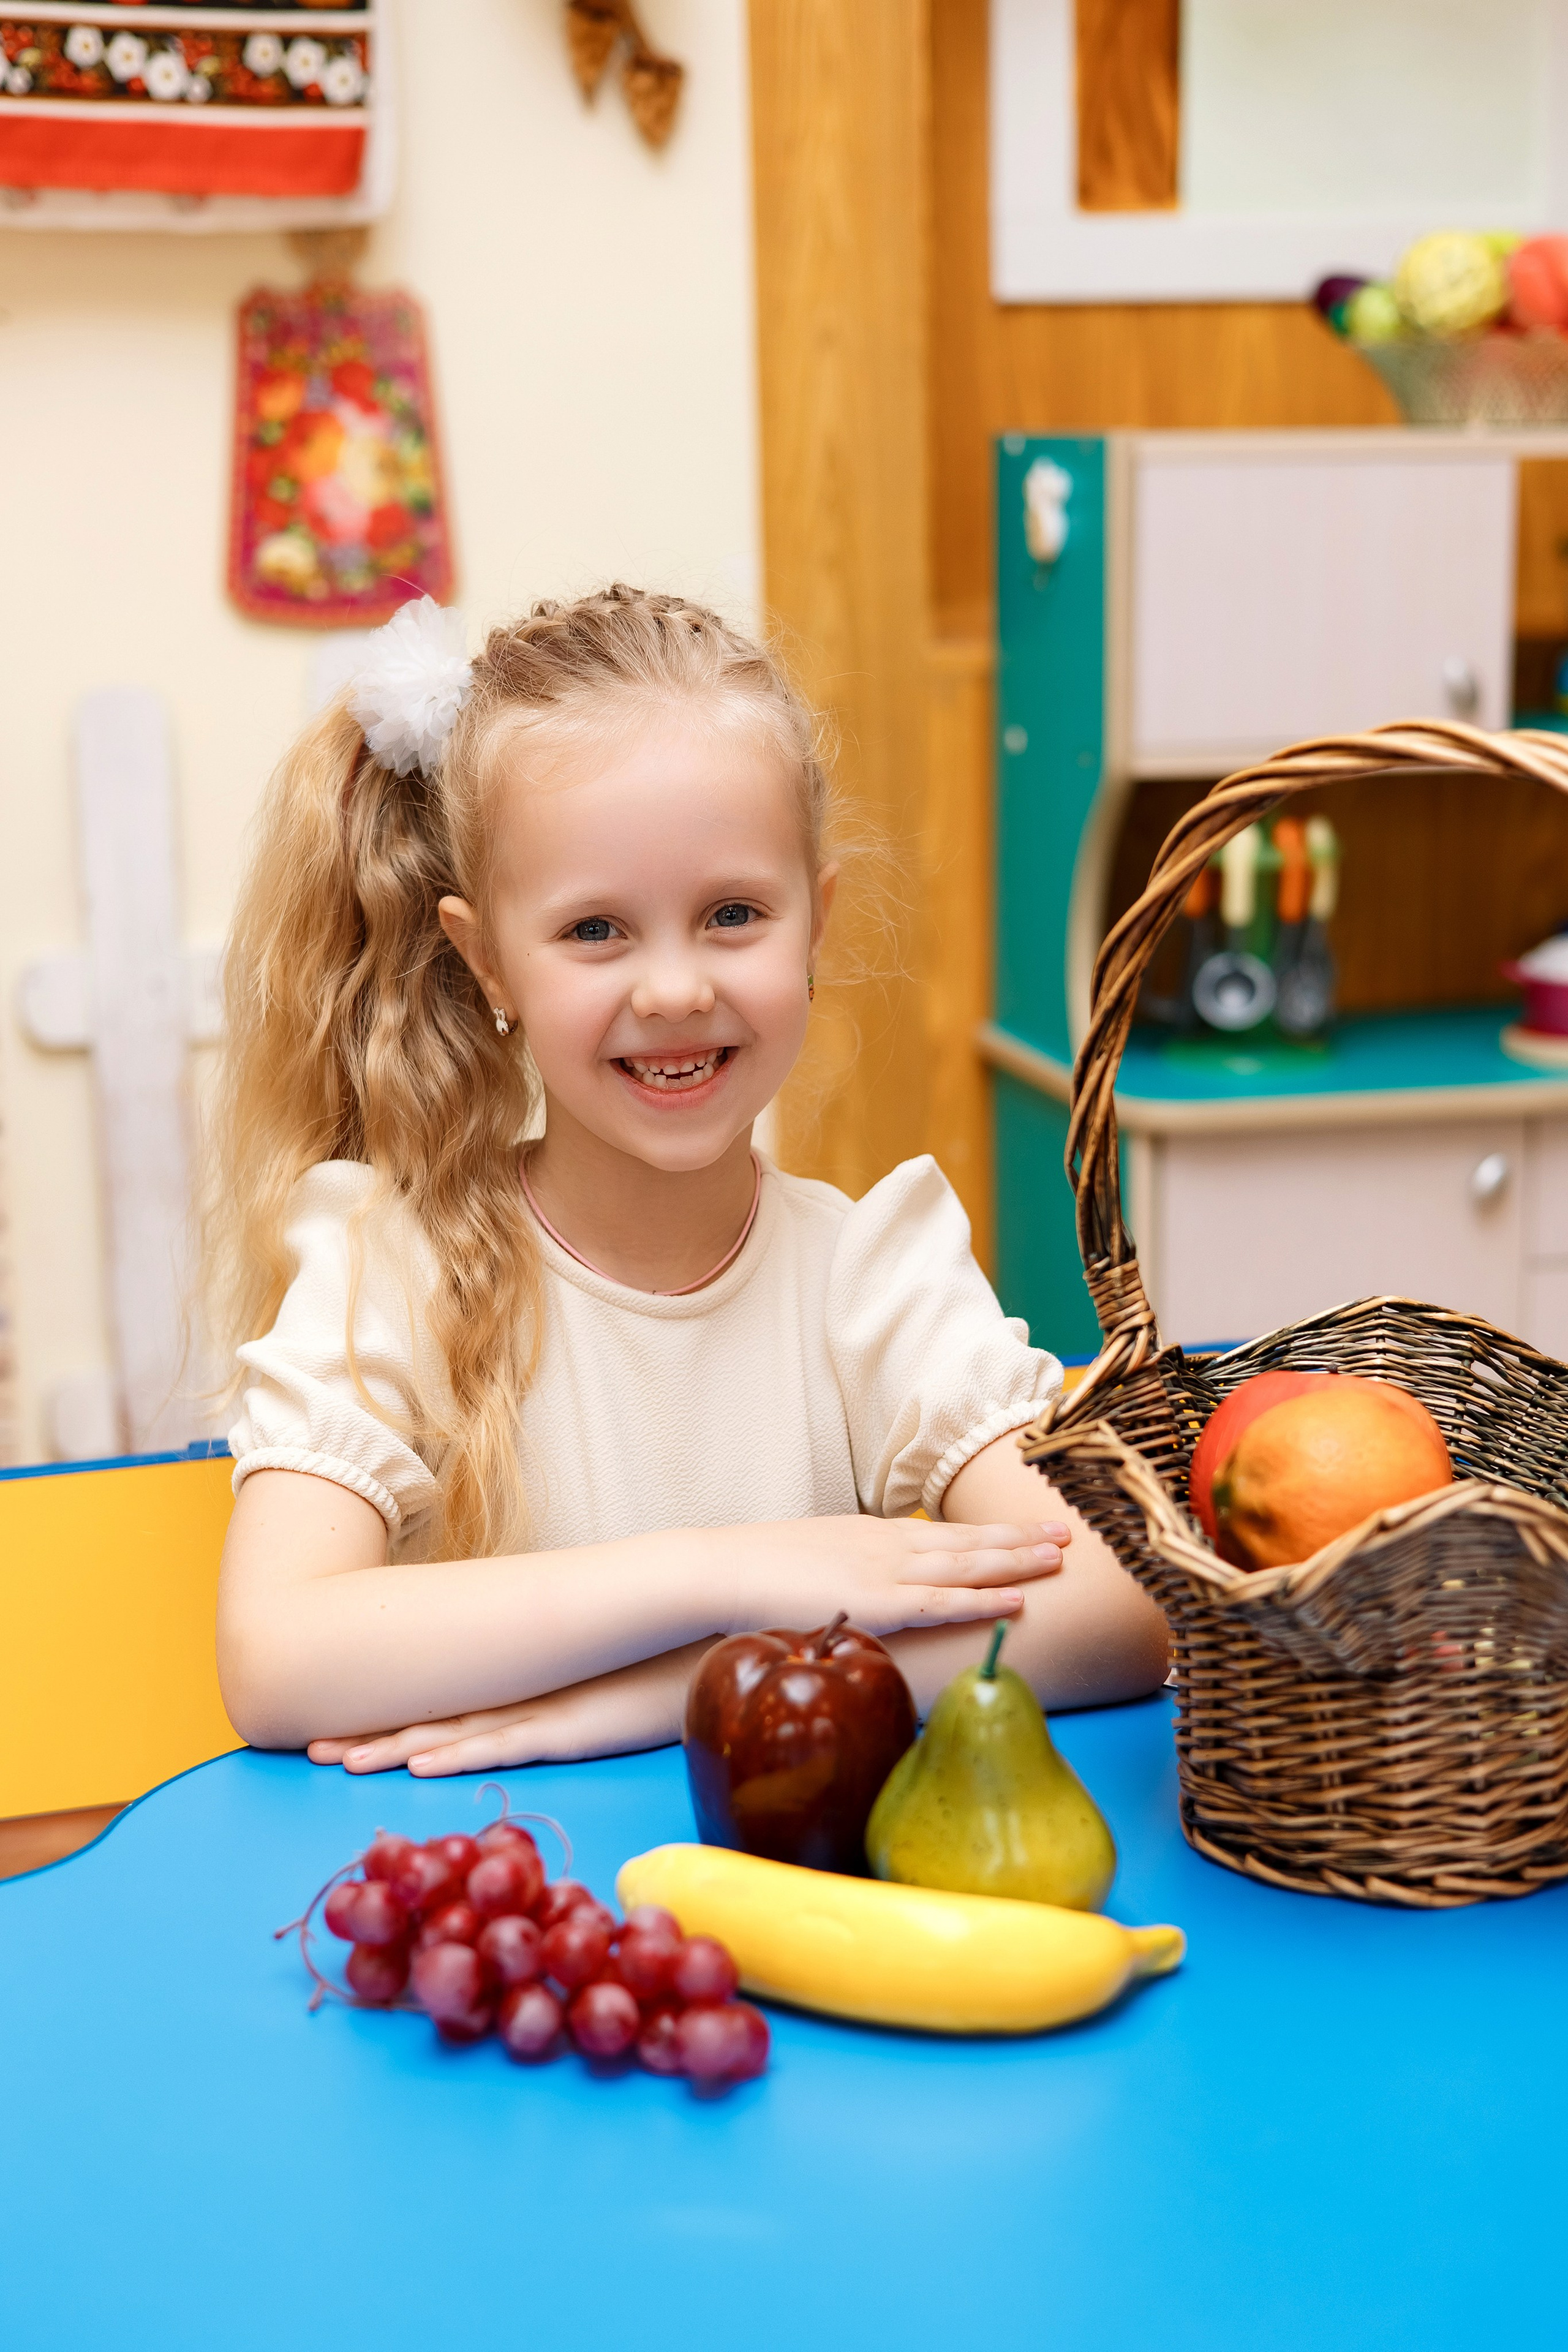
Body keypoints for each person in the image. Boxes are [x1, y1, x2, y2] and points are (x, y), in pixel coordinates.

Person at [212, 587, 1166, 1777]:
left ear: (811, 924)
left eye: (730, 914)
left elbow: (1120, 1607)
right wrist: (731, 1571)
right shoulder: (388, 1275)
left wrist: (675, 1690)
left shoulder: (872, 1277)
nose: (671, 989)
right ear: (485, 960)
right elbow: (273, 1656)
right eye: (596, 930)